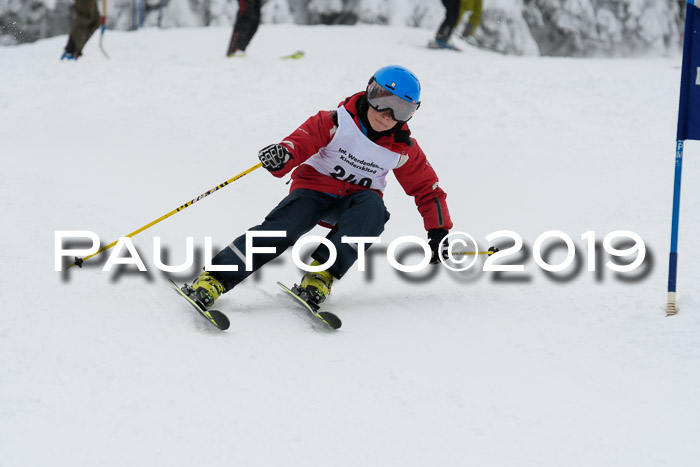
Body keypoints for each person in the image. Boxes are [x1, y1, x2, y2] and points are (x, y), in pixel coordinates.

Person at [188, 65, 453, 309]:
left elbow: (428, 189)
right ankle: (215, 278)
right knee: (282, 229)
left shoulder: (402, 148)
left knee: (374, 209)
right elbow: (299, 142)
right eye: (382, 102)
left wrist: (438, 230)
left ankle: (320, 276)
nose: (387, 116)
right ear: (370, 92)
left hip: (355, 204)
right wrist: (282, 154)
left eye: (402, 110)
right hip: (313, 192)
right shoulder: (336, 121)